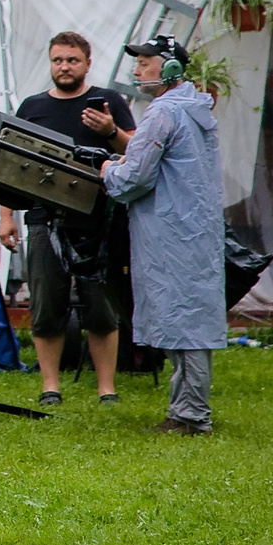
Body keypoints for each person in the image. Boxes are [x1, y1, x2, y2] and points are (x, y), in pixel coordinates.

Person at [0, 32, 136, 404]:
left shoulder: (108, 102)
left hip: (97, 222)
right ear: (50, 63)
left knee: (101, 308)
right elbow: (8, 165)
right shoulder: (33, 107)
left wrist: (111, 132)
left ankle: (107, 389)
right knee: (46, 307)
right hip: (43, 219)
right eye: (58, 60)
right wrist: (6, 217)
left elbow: (138, 152)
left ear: (87, 63)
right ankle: (50, 387)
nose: (64, 67)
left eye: (72, 60)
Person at [101, 37, 226, 435]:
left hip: (171, 234)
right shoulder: (195, 108)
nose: (137, 70)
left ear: (169, 68)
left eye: (145, 62)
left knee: (184, 322)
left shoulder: (162, 114)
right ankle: (186, 409)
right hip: (193, 231)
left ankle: (190, 416)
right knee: (189, 319)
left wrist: (108, 170)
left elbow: (135, 178)